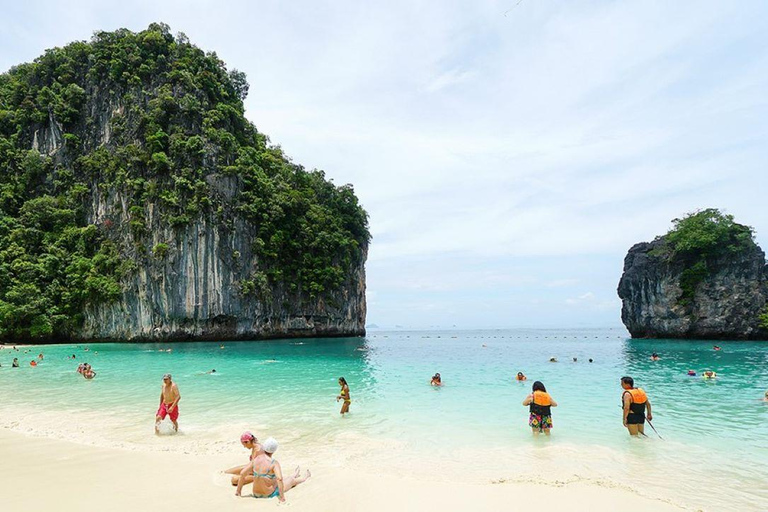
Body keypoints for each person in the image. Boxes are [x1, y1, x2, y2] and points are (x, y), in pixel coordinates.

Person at [235, 437, 310, 501]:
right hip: (269, 495)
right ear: (274, 450)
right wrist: (282, 497)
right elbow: (279, 479)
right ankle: (304, 477)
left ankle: (294, 474)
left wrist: (238, 491)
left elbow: (242, 473)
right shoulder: (274, 463)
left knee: (281, 478)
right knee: (291, 480)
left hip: (256, 494)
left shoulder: (256, 459)